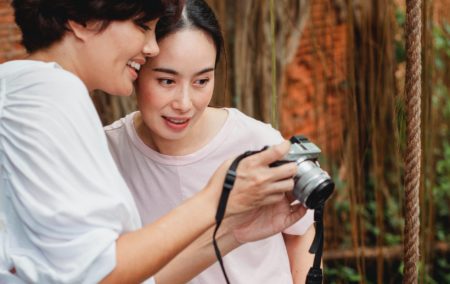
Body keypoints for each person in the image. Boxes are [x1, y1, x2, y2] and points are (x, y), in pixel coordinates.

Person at [0, 0, 307, 283]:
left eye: (202, 80)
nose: (150, 47)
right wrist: (217, 198)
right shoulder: (51, 96)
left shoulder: (18, 88)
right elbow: (97, 272)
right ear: (81, 20)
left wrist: (233, 233)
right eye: (142, 26)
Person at [105, 0, 316, 283]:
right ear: (137, 70)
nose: (184, 103)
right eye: (167, 81)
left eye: (201, 81)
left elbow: (302, 230)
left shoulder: (257, 143)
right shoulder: (106, 153)